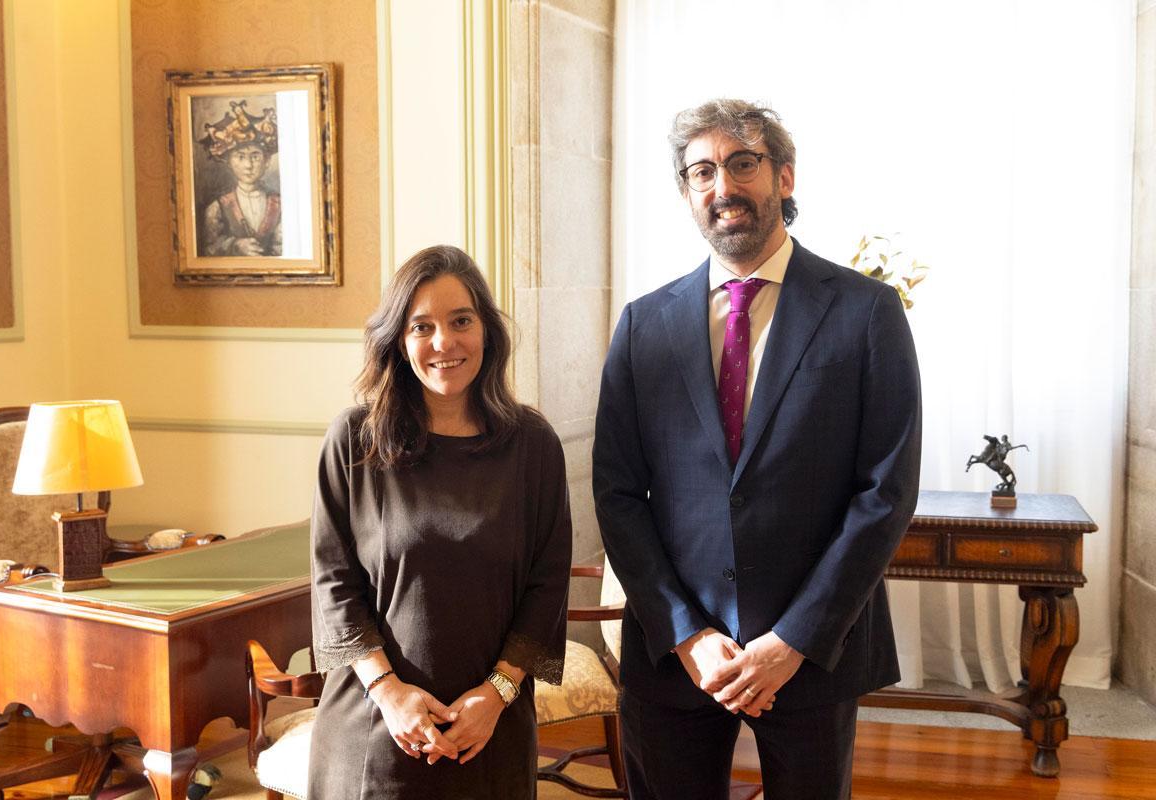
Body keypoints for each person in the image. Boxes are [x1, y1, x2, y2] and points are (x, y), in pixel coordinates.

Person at [592, 99, 922, 799]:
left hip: (812, 652)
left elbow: (885, 493)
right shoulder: (643, 324)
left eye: (743, 164)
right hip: (677, 656)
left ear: (785, 177)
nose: (723, 187)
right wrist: (685, 634)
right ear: (687, 193)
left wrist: (793, 639)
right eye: (702, 171)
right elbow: (618, 493)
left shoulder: (867, 312)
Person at [308, 245, 572, 799]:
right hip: (377, 728)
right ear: (398, 342)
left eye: (461, 321)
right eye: (421, 326)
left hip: (489, 728)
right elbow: (334, 583)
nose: (443, 343)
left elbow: (547, 585)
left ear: (487, 332)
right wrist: (388, 692)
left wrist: (497, 693)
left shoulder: (533, 444)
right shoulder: (354, 440)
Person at [198, 100, 282, 257]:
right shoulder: (217, 207)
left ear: (267, 161)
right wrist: (234, 247)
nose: (248, 165)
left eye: (255, 156)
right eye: (240, 157)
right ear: (228, 162)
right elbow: (209, 248)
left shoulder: (280, 204)